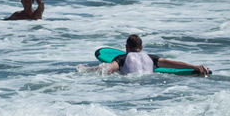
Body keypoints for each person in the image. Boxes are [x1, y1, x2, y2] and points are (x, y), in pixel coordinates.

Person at [78, 34, 211, 76]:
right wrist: (194, 67)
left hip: (130, 88)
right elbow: (173, 64)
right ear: (141, 48)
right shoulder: (151, 58)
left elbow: (107, 69)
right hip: (150, 85)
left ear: (126, 48)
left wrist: (86, 70)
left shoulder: (122, 58)